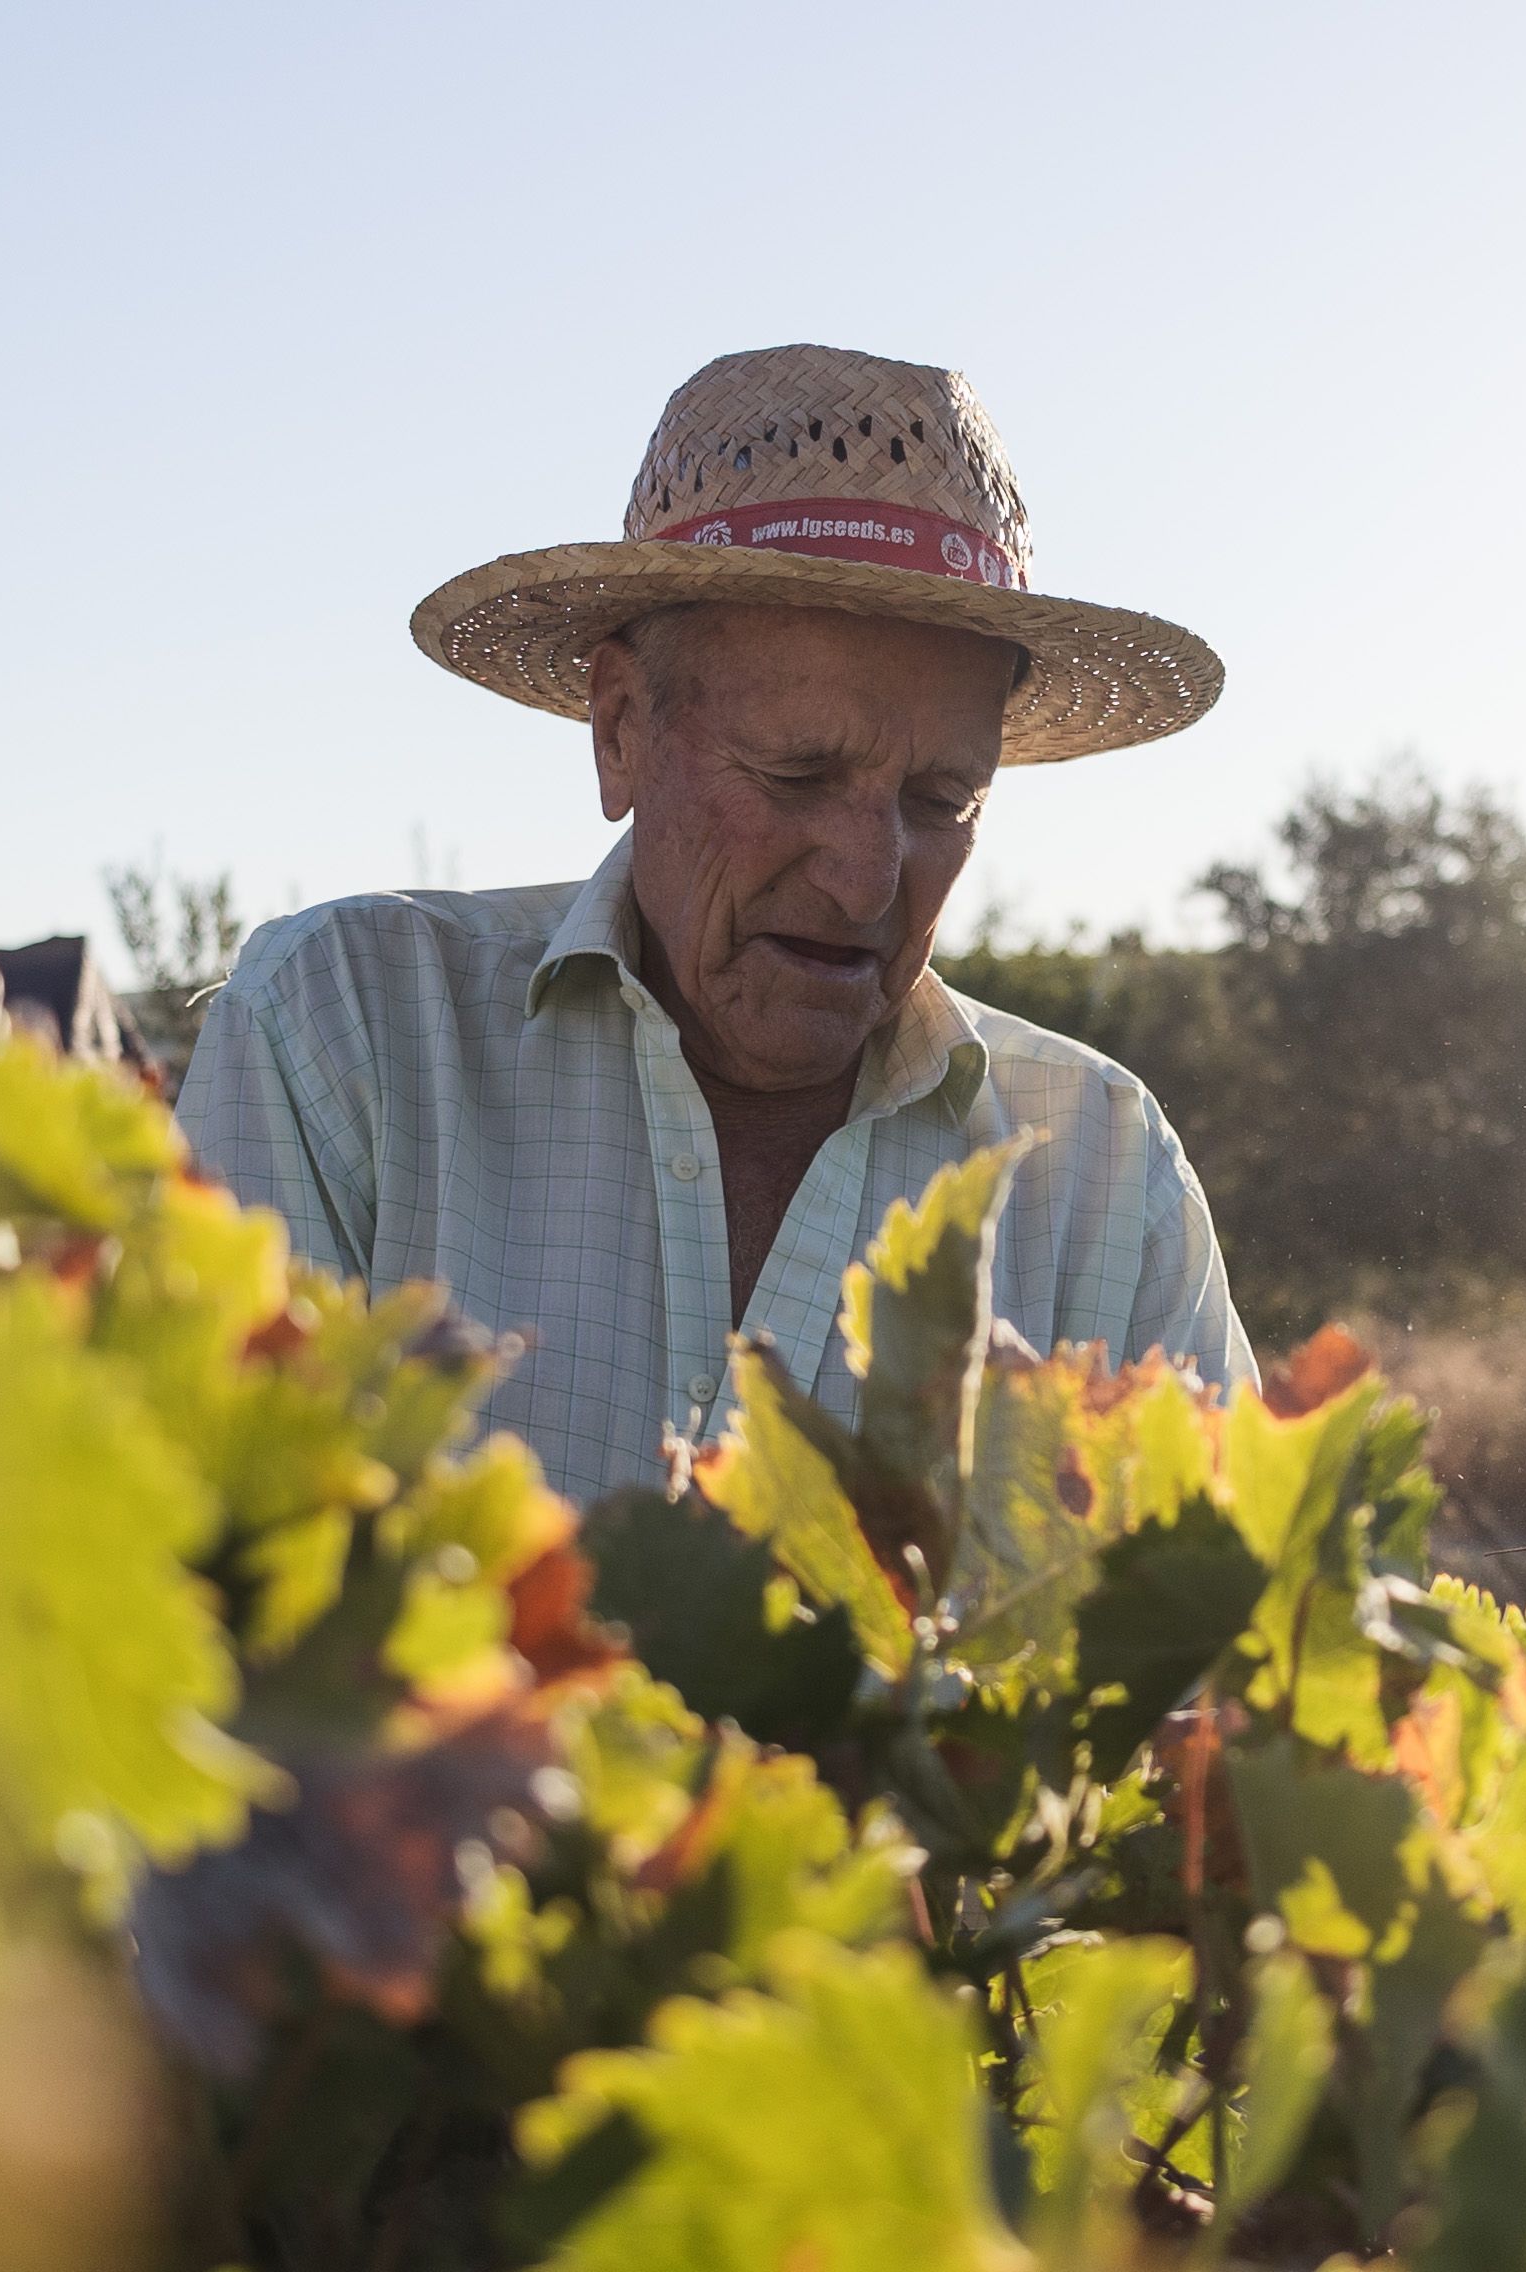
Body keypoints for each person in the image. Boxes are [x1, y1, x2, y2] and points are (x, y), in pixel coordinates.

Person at [178, 343, 1252, 1505]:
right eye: (796, 775)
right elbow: (204, 1574)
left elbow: (1223, 1642)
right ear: (621, 730)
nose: (864, 876)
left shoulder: (1104, 1172)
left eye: (941, 801)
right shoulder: (351, 1035)